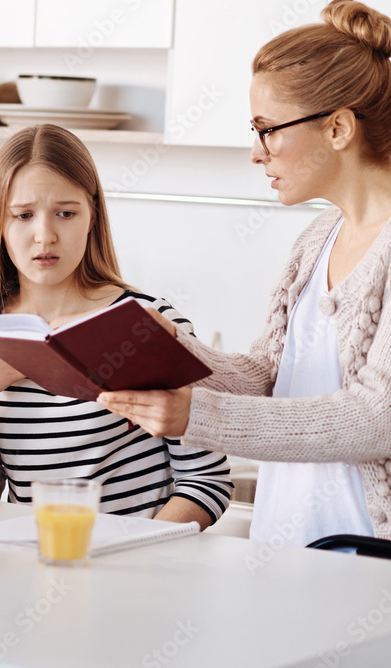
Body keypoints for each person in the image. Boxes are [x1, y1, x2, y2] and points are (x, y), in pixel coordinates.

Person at [97, 0, 391, 546]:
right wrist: (176, 352)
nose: (257, 154)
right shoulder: (316, 239)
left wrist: (199, 416)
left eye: (267, 129)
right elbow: (270, 375)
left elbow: (377, 418)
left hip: (368, 558)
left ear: (339, 128)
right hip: (287, 545)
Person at [0, 124, 232, 528]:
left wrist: (135, 553)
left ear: (92, 216)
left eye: (66, 213)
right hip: (33, 565)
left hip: (141, 573)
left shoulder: (148, 323)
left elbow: (206, 481)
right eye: (23, 215)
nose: (45, 236)